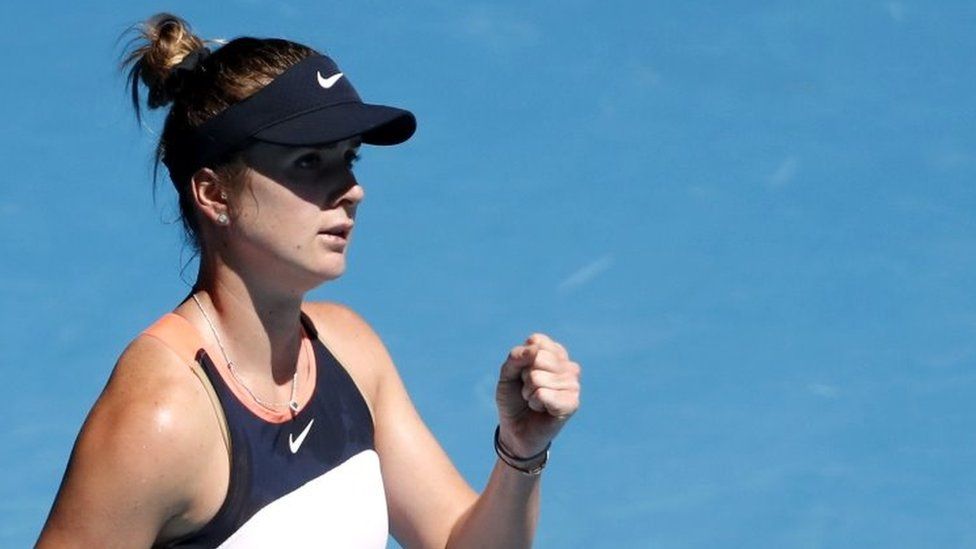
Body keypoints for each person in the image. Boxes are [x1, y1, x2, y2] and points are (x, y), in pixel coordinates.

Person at [37, 13, 581, 548]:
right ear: (214, 195)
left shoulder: (350, 352)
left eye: (349, 157)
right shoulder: (163, 415)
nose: (351, 188)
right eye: (309, 161)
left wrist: (520, 451)